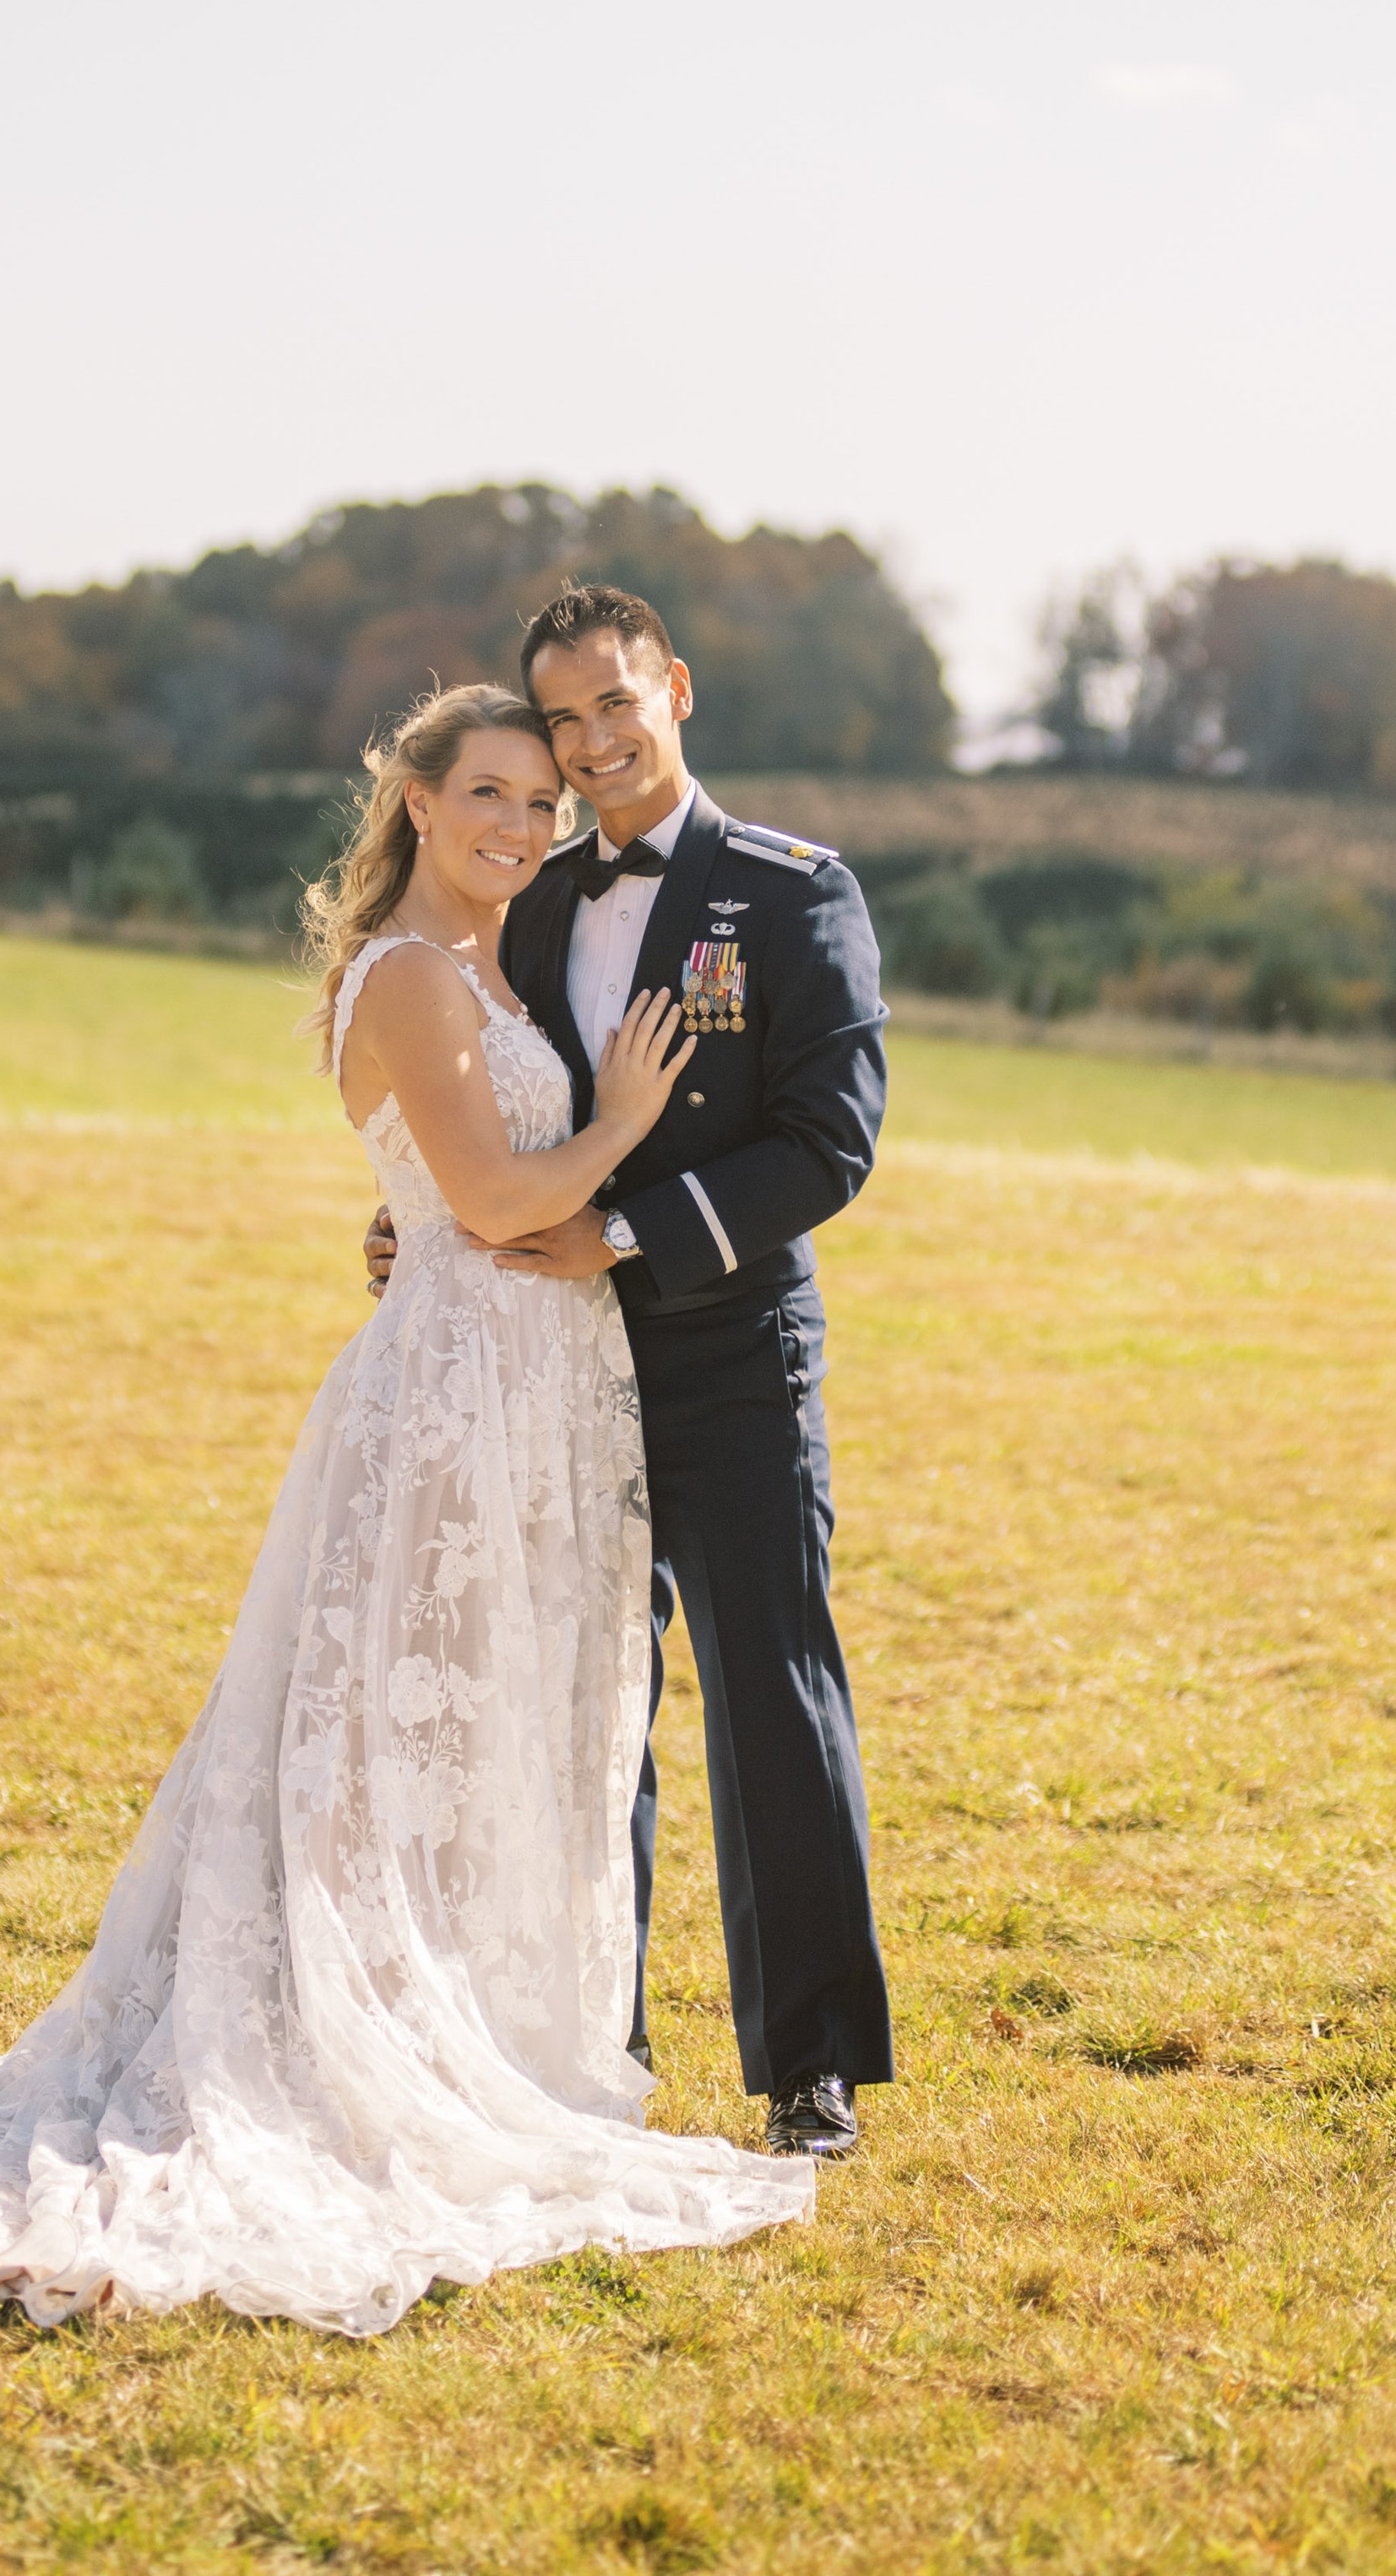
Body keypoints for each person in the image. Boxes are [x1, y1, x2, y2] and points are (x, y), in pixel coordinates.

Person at [0, 682, 816, 2337]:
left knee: (477, 1731)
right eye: (487, 794)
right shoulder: (409, 975)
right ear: (417, 799)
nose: (519, 828)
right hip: (449, 1405)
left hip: (533, 1403)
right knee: (383, 1744)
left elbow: (447, 1188)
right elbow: (485, 1203)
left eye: (543, 805)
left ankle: (467, 2025)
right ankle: (335, 2048)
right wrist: (621, 1119)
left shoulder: (498, 961)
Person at [365, 586, 893, 2156]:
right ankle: (593, 2036)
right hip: (542, 1363)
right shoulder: (528, 891)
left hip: (728, 1353)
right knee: (579, 1700)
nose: (592, 745)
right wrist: (422, 1216)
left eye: (616, 705)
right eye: (564, 719)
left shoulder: (794, 894)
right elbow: (481, 1102)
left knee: (767, 1696)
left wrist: (627, 1234)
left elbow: (831, 1142)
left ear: (677, 686)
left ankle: (808, 2065)